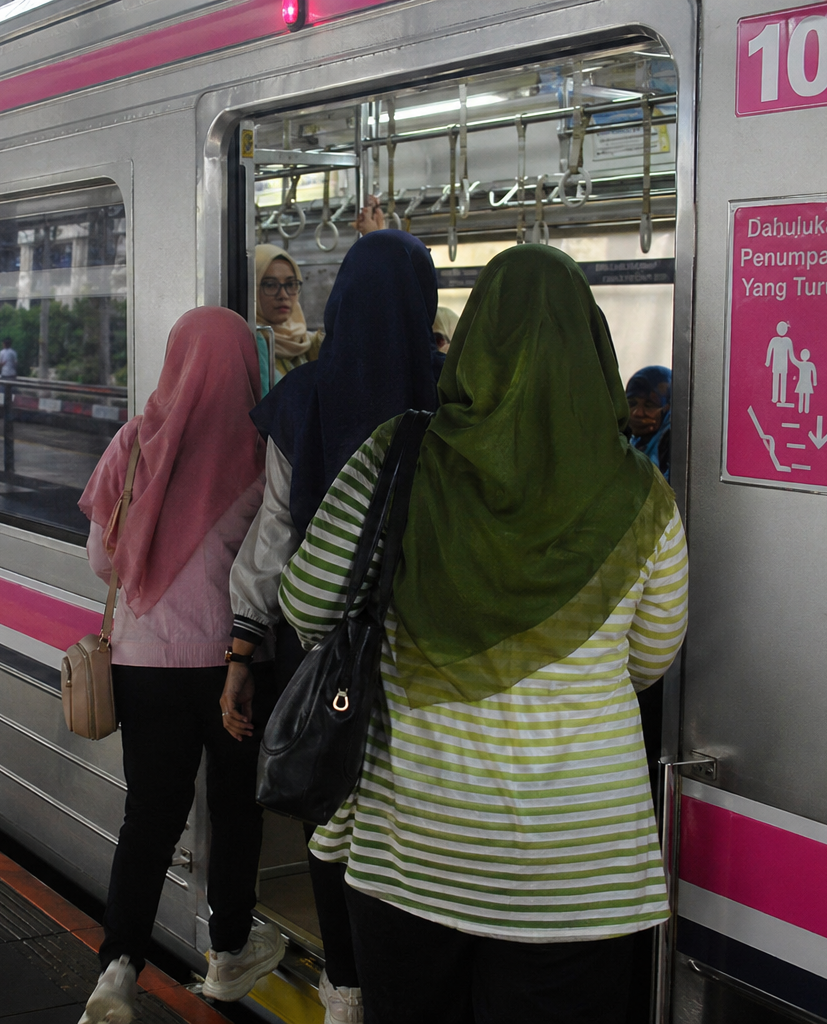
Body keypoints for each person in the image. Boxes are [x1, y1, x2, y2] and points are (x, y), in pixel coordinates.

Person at [279, 245, 688, 1024]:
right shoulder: (643, 494)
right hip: (580, 867)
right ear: (592, 348)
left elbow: (305, 603)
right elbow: (650, 657)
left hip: (415, 851)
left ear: (469, 346)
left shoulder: (395, 456)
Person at [224, 230, 441, 1024]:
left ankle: (345, 988)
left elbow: (274, 533)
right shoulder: (453, 396)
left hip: (321, 657)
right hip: (427, 660)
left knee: (331, 815)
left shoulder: (304, 397)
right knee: (407, 818)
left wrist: (243, 649)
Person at [77, 307, 283, 1024]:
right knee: (232, 812)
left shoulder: (136, 441)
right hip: (234, 667)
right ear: (246, 365)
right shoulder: (263, 447)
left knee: (150, 818)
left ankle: (118, 971)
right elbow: (276, 564)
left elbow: (104, 559)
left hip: (144, 665)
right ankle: (227, 953)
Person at [254, 244, 323, 394]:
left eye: (291, 284)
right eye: (271, 285)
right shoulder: (251, 345)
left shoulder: (310, 344)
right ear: (252, 289)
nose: (283, 295)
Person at [626, 365, 672, 481]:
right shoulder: (630, 439)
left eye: (649, 405)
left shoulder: (673, 443)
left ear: (668, 408)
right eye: (632, 403)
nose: (638, 413)